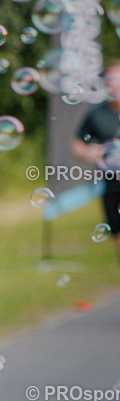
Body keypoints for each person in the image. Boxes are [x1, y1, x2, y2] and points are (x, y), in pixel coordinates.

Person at [72, 61, 120, 262]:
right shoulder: (97, 114)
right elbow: (77, 144)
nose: (113, 85)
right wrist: (87, 152)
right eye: (109, 81)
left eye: (118, 80)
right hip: (112, 185)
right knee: (118, 236)